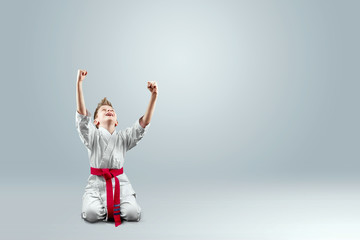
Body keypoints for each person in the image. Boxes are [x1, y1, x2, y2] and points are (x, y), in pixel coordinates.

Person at [75, 69, 158, 227]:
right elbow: (82, 118)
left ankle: (114, 206)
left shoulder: (124, 137)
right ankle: (106, 207)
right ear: (96, 121)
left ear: (117, 122)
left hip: (120, 183)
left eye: (111, 110)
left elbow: (143, 123)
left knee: (133, 214)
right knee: (91, 214)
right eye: (104, 110)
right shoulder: (92, 136)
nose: (109, 110)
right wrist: (79, 84)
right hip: (96, 184)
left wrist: (153, 96)